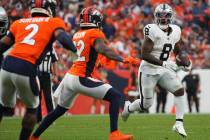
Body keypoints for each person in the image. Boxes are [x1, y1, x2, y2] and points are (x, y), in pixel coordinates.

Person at [30, 7, 139, 140]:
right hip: (80, 77)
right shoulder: (95, 32)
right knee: (115, 96)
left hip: (70, 77)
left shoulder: (77, 33)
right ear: (96, 20)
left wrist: (97, 63)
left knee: (59, 110)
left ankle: (34, 136)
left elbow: (87, 55)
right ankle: (114, 134)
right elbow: (102, 49)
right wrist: (122, 59)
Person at [0, 0, 77, 140]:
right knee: (31, 110)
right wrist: (75, 50)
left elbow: (3, 45)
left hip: (7, 66)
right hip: (26, 67)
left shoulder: (19, 22)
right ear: (49, 9)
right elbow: (62, 37)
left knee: (3, 106)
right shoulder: (53, 22)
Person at [122, 4, 192, 138]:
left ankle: (178, 123)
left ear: (171, 17)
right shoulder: (151, 29)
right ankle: (129, 108)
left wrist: (184, 61)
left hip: (163, 68)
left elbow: (178, 49)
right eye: (160, 15)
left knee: (179, 90)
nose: (163, 19)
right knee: (146, 104)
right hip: (148, 69)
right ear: (156, 16)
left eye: (166, 16)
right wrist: (165, 63)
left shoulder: (176, 30)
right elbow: (144, 54)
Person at [36, 46, 58, 122]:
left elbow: (54, 61)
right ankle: (38, 119)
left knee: (48, 97)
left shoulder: (51, 48)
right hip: (37, 75)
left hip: (47, 75)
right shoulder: (37, 46)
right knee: (37, 97)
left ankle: (51, 118)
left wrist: (55, 75)